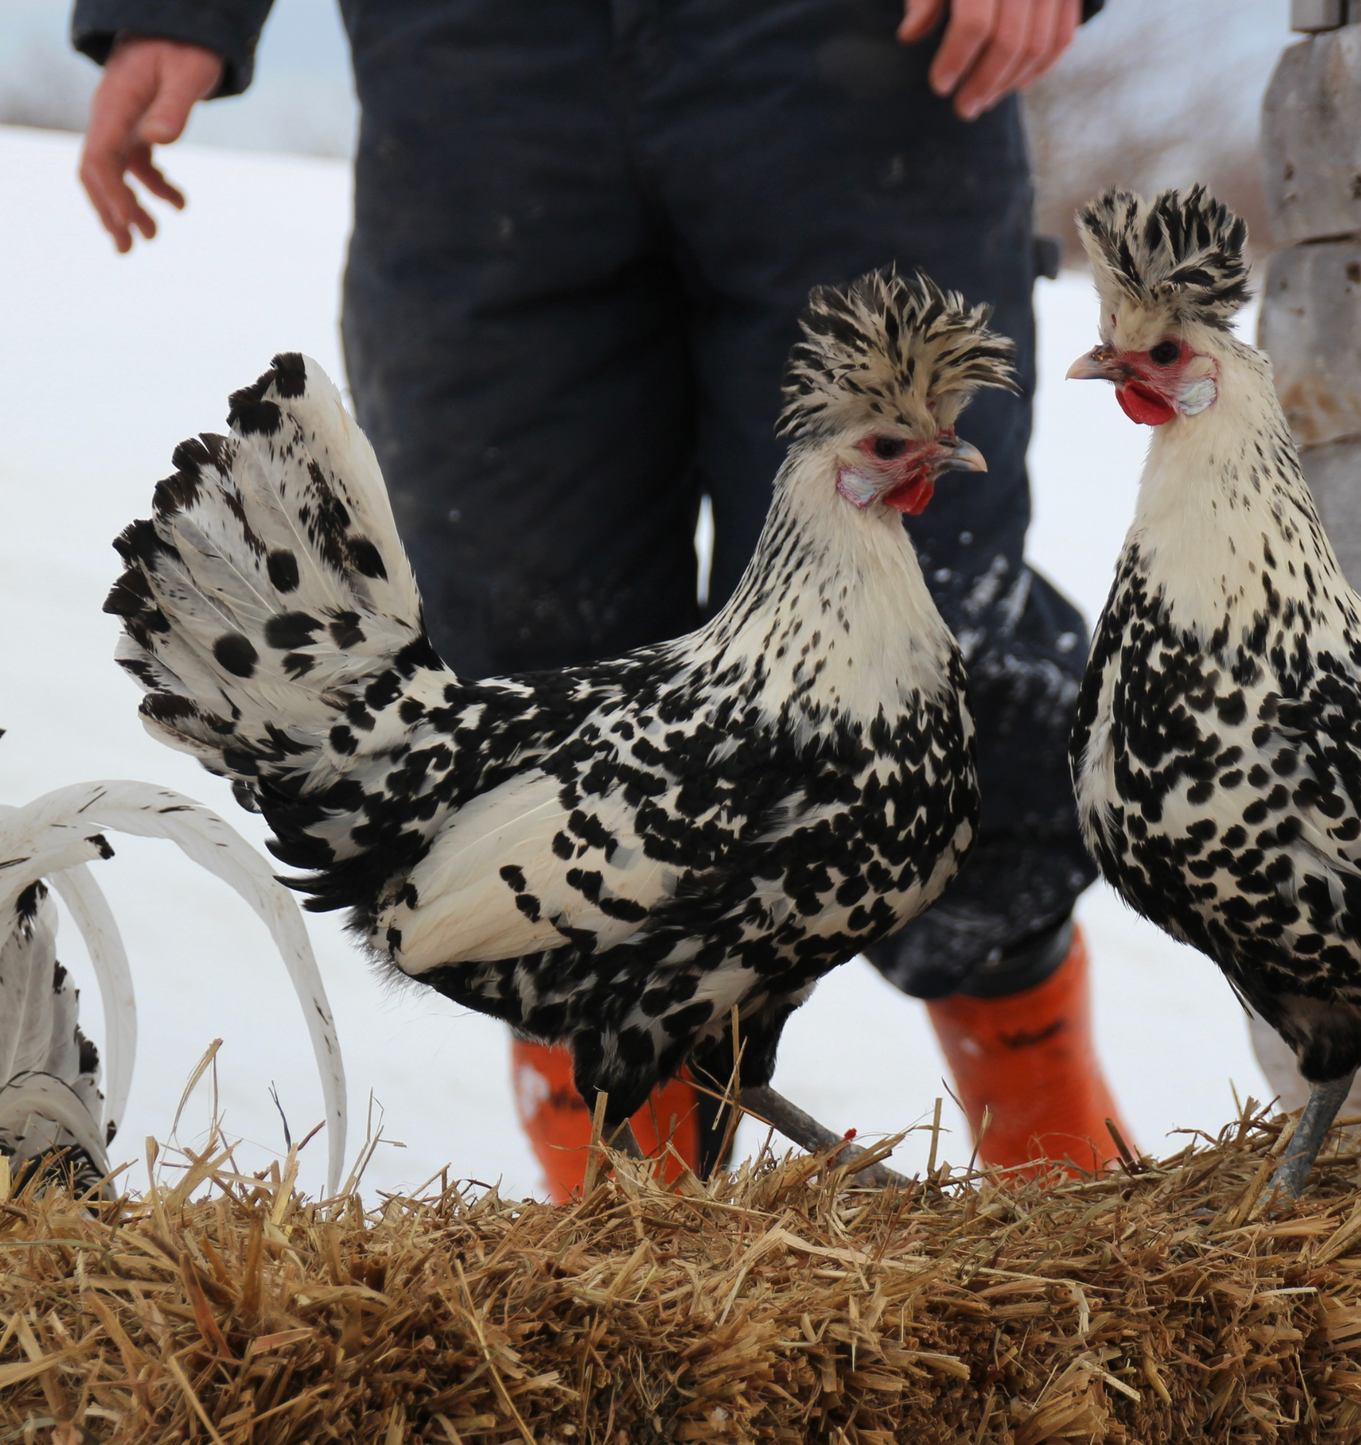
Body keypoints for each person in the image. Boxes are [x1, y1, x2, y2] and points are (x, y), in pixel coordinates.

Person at [71, 0, 1130, 1197]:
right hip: (482, 71)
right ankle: (631, 1265)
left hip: (859, 51)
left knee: (946, 689)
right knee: (523, 674)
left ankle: (1066, 1214)